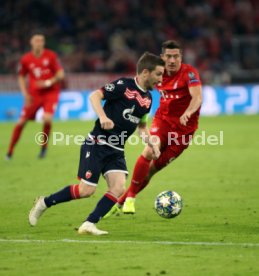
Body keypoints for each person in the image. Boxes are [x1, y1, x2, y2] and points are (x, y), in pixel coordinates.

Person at [28, 52, 165, 235]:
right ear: (146, 72)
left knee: (118, 188)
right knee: (87, 190)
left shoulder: (148, 100)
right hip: (97, 143)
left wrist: (152, 144)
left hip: (116, 149)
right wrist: (102, 116)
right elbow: (94, 96)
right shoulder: (123, 85)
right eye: (159, 74)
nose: (161, 79)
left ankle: (89, 224)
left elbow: (141, 128)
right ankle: (44, 202)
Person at [106, 40, 203, 216]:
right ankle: (130, 199)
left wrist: (188, 112)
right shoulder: (158, 72)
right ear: (162, 57)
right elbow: (139, 85)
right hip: (163, 120)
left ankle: (119, 202)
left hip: (184, 131)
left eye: (176, 56)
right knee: (150, 149)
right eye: (168, 56)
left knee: (150, 172)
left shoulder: (189, 73)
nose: (172, 60)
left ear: (181, 56)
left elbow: (197, 97)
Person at [6, 33, 65, 159]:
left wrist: (48, 82)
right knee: (21, 122)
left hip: (51, 93)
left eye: (41, 40)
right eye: (36, 40)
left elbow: (61, 74)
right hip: (34, 95)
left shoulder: (51, 56)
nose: (39, 43)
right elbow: (21, 76)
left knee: (47, 118)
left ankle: (43, 148)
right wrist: (25, 94)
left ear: (43, 43)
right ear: (31, 43)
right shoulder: (26, 59)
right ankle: (10, 151)